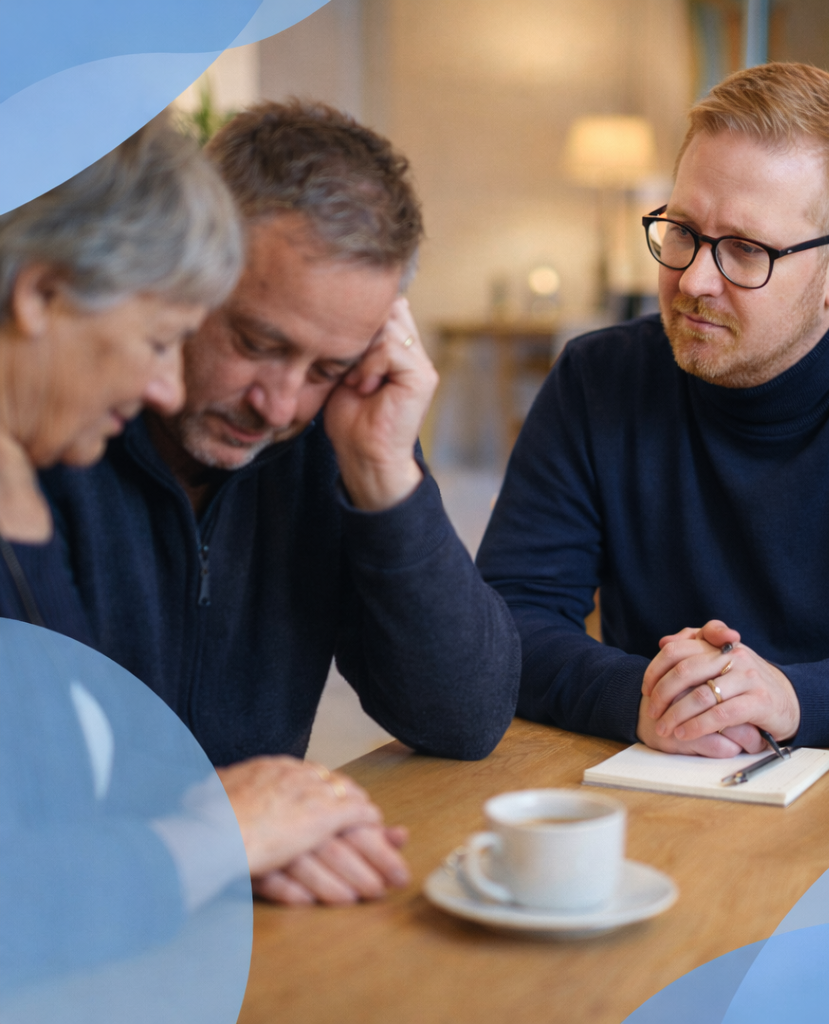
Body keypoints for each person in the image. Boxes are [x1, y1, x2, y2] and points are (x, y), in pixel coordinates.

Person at [39, 101, 521, 904]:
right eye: (257, 343)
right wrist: (227, 834)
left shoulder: (332, 434)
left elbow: (463, 719)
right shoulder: (51, 432)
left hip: (252, 908)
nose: (278, 403)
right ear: (181, 271)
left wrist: (384, 473)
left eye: (327, 365)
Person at [476, 63, 829, 758]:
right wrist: (647, 697)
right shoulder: (598, 377)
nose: (694, 281)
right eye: (682, 231)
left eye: (744, 249)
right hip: (671, 781)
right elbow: (504, 622)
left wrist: (794, 699)